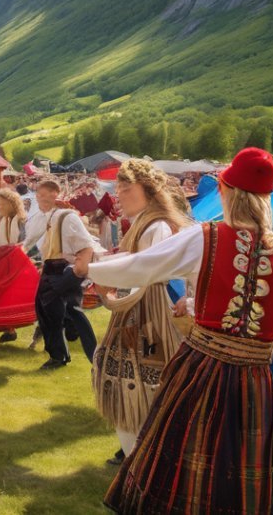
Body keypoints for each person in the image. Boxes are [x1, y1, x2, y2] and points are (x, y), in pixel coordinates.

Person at [76, 148, 273, 513]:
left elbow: (144, 266)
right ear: (267, 199)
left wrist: (91, 269)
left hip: (197, 373)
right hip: (251, 384)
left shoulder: (207, 238)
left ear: (225, 191)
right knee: (233, 482)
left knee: (176, 474)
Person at [88, 160, 192, 465]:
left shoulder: (155, 225)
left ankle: (143, 463)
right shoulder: (146, 222)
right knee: (125, 381)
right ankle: (139, 459)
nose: (119, 194)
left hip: (147, 313)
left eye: (126, 188)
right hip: (137, 308)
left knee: (137, 382)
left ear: (147, 191)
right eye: (118, 188)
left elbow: (146, 272)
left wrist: (104, 275)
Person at [24, 179, 99, 370]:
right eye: (38, 195)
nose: (40, 199)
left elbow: (85, 245)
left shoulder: (67, 216)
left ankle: (95, 358)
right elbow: (33, 238)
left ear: (54, 195)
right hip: (51, 268)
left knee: (73, 313)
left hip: (65, 269)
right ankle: (58, 356)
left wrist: (76, 272)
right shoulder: (46, 217)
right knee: (47, 313)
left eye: (44, 195)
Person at [0, 189, 40, 343]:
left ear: (11, 204)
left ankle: (38, 325)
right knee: (0, 295)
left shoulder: (22, 220)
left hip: (16, 260)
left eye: (2, 204)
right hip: (0, 261)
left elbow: (28, 243)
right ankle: (8, 329)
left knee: (18, 295)